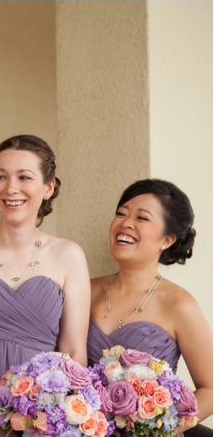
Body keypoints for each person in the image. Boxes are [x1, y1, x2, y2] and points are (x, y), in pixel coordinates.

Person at [0, 134, 90, 395]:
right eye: (0, 176)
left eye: (24, 177)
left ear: (48, 188)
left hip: (41, 410)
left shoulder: (68, 256)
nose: (10, 188)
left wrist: (54, 416)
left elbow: (73, 351)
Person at [88, 179, 212, 433]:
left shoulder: (179, 304)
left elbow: (210, 389)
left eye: (142, 218)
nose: (125, 223)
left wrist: (158, 431)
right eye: (121, 213)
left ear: (166, 240)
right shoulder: (85, 290)